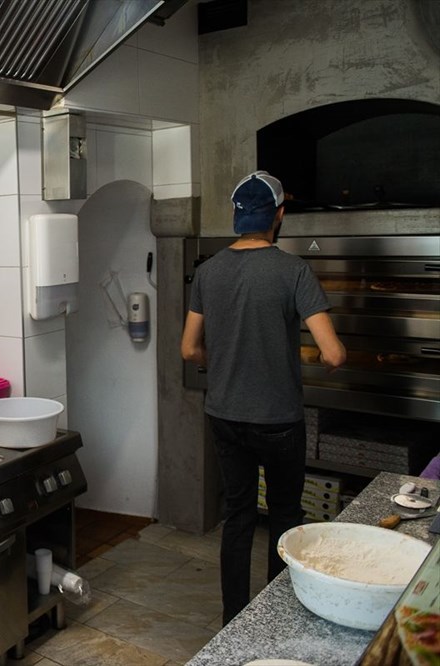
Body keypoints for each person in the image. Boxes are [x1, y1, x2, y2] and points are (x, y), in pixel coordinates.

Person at [180, 170, 346, 626]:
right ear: (279, 216)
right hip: (279, 419)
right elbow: (333, 354)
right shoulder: (293, 270)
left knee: (236, 515)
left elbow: (189, 348)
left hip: (225, 415)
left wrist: (231, 357)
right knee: (284, 515)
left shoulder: (209, 271)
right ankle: (276, 616)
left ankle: (234, 618)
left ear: (236, 216)